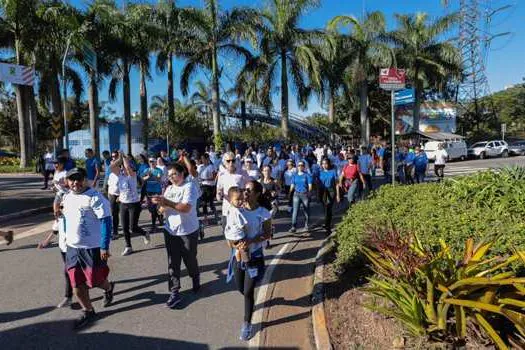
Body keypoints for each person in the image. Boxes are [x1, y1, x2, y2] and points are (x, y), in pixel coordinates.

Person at [60, 167, 114, 330]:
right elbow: (67, 220)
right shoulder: (67, 197)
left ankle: (109, 288)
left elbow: (106, 221)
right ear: (67, 181)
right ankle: (88, 311)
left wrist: (104, 246)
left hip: (92, 248)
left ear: (84, 180)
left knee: (96, 280)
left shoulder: (94, 197)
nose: (75, 182)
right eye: (72, 179)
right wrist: (65, 241)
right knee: (76, 283)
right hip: (73, 248)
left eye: (79, 179)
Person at [228, 180, 272, 341]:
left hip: (255, 256)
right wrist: (234, 243)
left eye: (249, 190)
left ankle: (247, 324)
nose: (245, 193)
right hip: (237, 256)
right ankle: (250, 302)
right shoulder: (236, 210)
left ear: (258, 194)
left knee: (248, 291)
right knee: (240, 288)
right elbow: (229, 232)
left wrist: (251, 241)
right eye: (243, 189)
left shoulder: (264, 213)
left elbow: (267, 234)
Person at [152, 163, 201, 308]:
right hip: (171, 231)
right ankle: (174, 292)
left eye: (174, 174)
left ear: (182, 173)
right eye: (169, 175)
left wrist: (166, 202)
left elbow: (186, 208)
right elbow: (161, 210)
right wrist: (159, 204)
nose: (171, 177)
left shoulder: (189, 187)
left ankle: (195, 277)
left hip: (188, 231)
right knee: (173, 263)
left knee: (190, 259)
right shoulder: (168, 189)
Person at [112, 152, 150, 256]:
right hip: (123, 204)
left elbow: (128, 167)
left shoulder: (132, 175)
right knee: (124, 227)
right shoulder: (120, 176)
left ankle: (145, 233)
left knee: (133, 227)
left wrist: (124, 157)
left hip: (134, 204)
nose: (123, 169)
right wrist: (119, 158)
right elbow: (112, 166)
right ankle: (128, 246)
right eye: (122, 167)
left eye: (124, 167)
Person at [216, 152, 249, 231]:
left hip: (240, 209)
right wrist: (219, 195)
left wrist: (245, 199)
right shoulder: (221, 175)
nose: (231, 163)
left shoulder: (243, 173)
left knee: (241, 232)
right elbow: (218, 191)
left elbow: (249, 188)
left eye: (233, 160)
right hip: (227, 209)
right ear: (224, 162)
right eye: (228, 161)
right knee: (226, 231)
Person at [224, 187, 250, 263]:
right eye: (238, 199)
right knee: (243, 249)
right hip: (237, 236)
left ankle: (238, 261)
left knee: (236, 249)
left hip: (229, 235)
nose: (240, 201)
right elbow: (243, 225)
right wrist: (246, 234)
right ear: (230, 200)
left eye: (242, 199)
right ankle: (243, 262)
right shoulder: (237, 212)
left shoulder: (230, 208)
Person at [142, 157, 164, 234]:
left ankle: (154, 225)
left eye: (153, 161)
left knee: (154, 209)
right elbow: (143, 179)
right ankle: (160, 216)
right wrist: (148, 176)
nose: (151, 163)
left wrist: (152, 176)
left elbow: (159, 179)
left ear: (155, 162)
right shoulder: (146, 170)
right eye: (150, 161)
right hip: (148, 191)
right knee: (150, 209)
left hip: (156, 191)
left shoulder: (159, 170)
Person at [289, 160, 312, 233]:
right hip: (296, 194)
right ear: (297, 167)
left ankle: (306, 225)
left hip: (305, 194)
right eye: (299, 165)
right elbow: (292, 185)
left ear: (304, 167)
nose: (300, 167)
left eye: (302, 165)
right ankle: (293, 226)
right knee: (295, 211)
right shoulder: (294, 175)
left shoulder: (307, 175)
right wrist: (289, 193)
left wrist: (309, 192)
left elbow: (310, 185)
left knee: (306, 211)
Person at [319, 158, 340, 235]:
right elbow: (317, 183)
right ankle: (327, 223)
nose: (324, 165)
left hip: (331, 191)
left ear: (329, 164)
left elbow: (337, 184)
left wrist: (338, 195)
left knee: (328, 208)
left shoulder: (333, 172)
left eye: (326, 163)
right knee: (325, 209)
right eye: (323, 164)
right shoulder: (320, 172)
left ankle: (327, 228)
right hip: (322, 191)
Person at [198, 153, 218, 225]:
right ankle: (206, 219)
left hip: (210, 187)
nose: (202, 160)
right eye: (201, 159)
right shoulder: (200, 167)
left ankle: (216, 216)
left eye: (203, 159)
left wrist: (204, 179)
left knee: (210, 203)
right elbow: (197, 175)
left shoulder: (211, 167)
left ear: (207, 159)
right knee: (204, 203)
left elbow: (214, 177)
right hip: (203, 186)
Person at [107, 155, 120, 240]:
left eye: (113, 165)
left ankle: (115, 232)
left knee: (116, 214)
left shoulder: (121, 174)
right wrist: (108, 194)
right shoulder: (111, 175)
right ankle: (114, 231)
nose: (111, 167)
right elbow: (109, 185)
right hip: (111, 195)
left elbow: (123, 186)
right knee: (112, 214)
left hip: (119, 196)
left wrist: (119, 196)